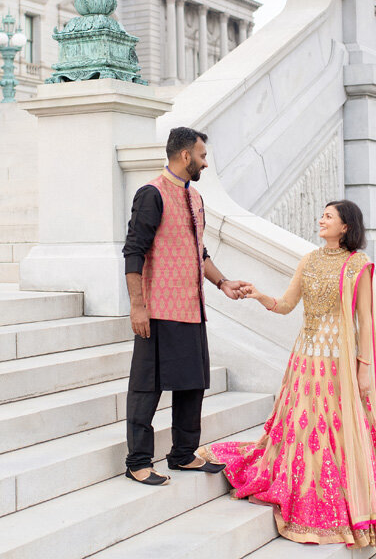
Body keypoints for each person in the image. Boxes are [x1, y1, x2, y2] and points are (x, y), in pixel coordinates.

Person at [198, 201, 376, 548]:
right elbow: (286, 305)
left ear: (346, 226)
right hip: (306, 361)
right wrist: (260, 295)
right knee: (303, 430)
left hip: (340, 364)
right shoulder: (309, 260)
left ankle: (340, 502)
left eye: (329, 216)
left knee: (337, 432)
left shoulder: (358, 266)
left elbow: (365, 322)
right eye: (321, 215)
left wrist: (365, 368)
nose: (321, 220)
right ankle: (304, 490)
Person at [121, 127, 250, 486]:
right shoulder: (151, 194)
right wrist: (137, 306)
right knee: (147, 387)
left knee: (192, 384)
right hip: (159, 309)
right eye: (202, 156)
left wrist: (223, 282)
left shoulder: (195, 199)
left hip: (192, 308)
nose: (205, 163)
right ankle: (137, 461)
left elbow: (199, 252)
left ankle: (182, 454)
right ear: (184, 156)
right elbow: (134, 251)